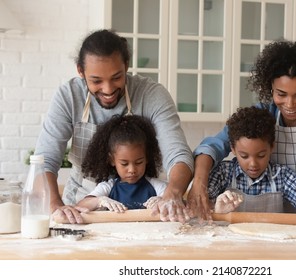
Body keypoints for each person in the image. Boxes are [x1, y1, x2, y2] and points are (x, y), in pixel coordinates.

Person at [189, 38, 296, 228]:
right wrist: (199, 183)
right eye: (281, 94)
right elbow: (212, 147)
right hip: (280, 226)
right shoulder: (261, 118)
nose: (289, 104)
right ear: (270, 86)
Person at [34, 29, 193, 224]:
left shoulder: (152, 95)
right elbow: (45, 160)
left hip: (144, 209)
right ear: (81, 71)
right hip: (82, 207)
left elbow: (178, 154)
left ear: (126, 66)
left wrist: (171, 195)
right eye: (96, 81)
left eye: (117, 77)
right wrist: (55, 206)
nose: (108, 89)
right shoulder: (69, 97)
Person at [211, 106, 296, 224]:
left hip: (272, 245)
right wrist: (216, 210)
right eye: (244, 156)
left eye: (261, 155)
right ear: (233, 149)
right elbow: (201, 202)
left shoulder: (281, 176)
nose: (253, 164)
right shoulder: (224, 173)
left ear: (272, 147)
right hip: (232, 245)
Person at [76, 114, 167, 212]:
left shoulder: (157, 186)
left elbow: (177, 201)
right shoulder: (107, 187)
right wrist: (99, 201)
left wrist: (163, 200)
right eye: (124, 164)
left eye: (139, 162)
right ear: (112, 160)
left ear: (147, 159)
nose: (132, 170)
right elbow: (81, 205)